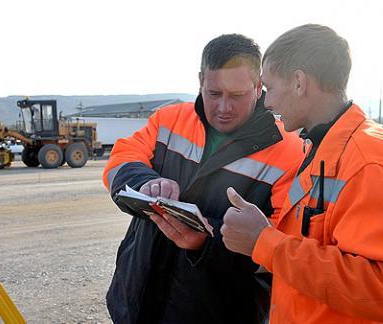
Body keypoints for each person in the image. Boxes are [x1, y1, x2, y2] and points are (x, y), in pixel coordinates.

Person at [102, 34, 304, 323]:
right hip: (134, 305)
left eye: (237, 96)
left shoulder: (289, 152)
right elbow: (121, 158)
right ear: (200, 80)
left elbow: (283, 252)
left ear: (259, 87)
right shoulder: (169, 119)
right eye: (214, 93)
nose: (224, 107)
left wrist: (208, 243)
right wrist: (145, 183)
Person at [221, 24, 383, 323]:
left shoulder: (367, 160)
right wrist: (265, 239)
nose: (266, 103)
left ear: (298, 82)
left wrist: (264, 242)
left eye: (268, 87)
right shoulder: (323, 147)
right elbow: (318, 248)